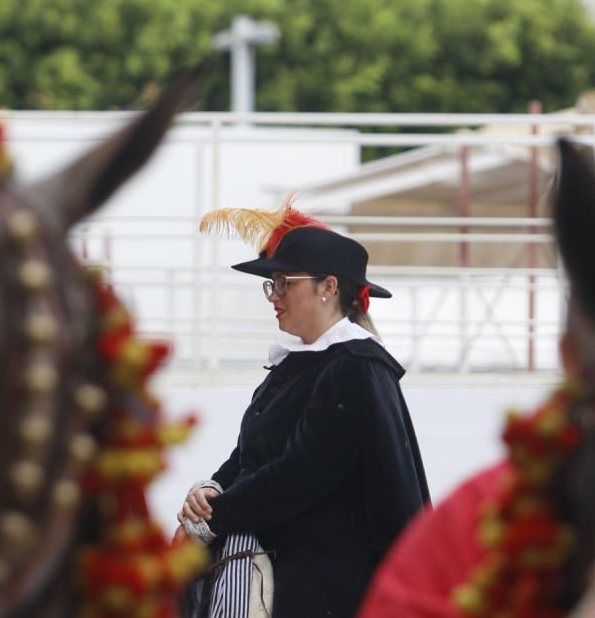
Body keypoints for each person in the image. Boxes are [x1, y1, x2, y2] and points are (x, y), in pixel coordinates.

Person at [177, 197, 430, 617]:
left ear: (328, 288)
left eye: (284, 283)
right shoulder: (300, 364)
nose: (273, 296)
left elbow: (299, 474)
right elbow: (250, 455)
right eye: (271, 284)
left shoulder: (354, 366)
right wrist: (211, 491)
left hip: (330, 591)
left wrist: (211, 518)